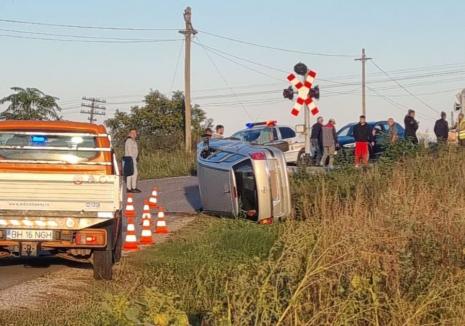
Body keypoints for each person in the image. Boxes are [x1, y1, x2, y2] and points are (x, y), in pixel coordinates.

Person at [125, 129, 141, 193]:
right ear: (129, 134)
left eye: (135, 133)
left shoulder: (133, 141)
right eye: (132, 133)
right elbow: (130, 151)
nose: (134, 134)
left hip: (132, 159)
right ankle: (132, 188)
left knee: (131, 174)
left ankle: (130, 188)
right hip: (130, 159)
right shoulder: (129, 141)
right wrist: (132, 160)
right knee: (133, 173)